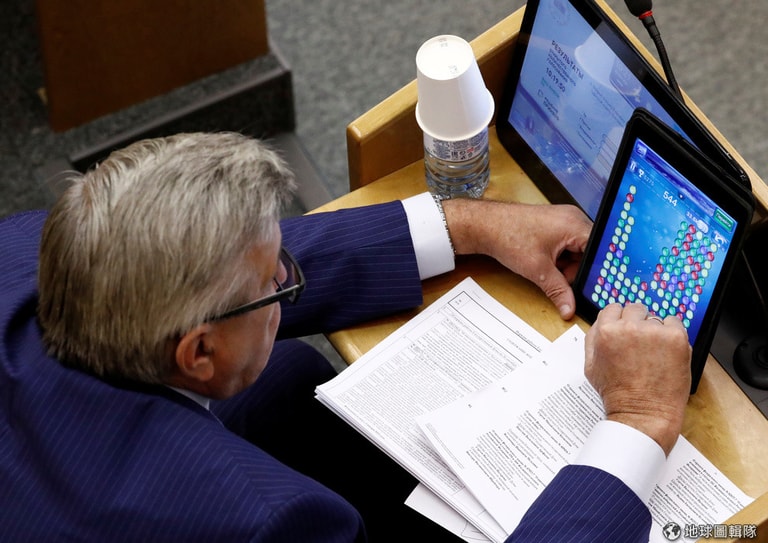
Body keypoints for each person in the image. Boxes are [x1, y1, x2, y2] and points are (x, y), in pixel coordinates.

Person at [0, 132, 691, 542]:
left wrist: (465, 224)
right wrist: (638, 419)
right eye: (274, 281)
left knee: (287, 379)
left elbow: (215, 259)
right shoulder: (262, 523)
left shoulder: (28, 246)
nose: (289, 277)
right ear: (199, 352)